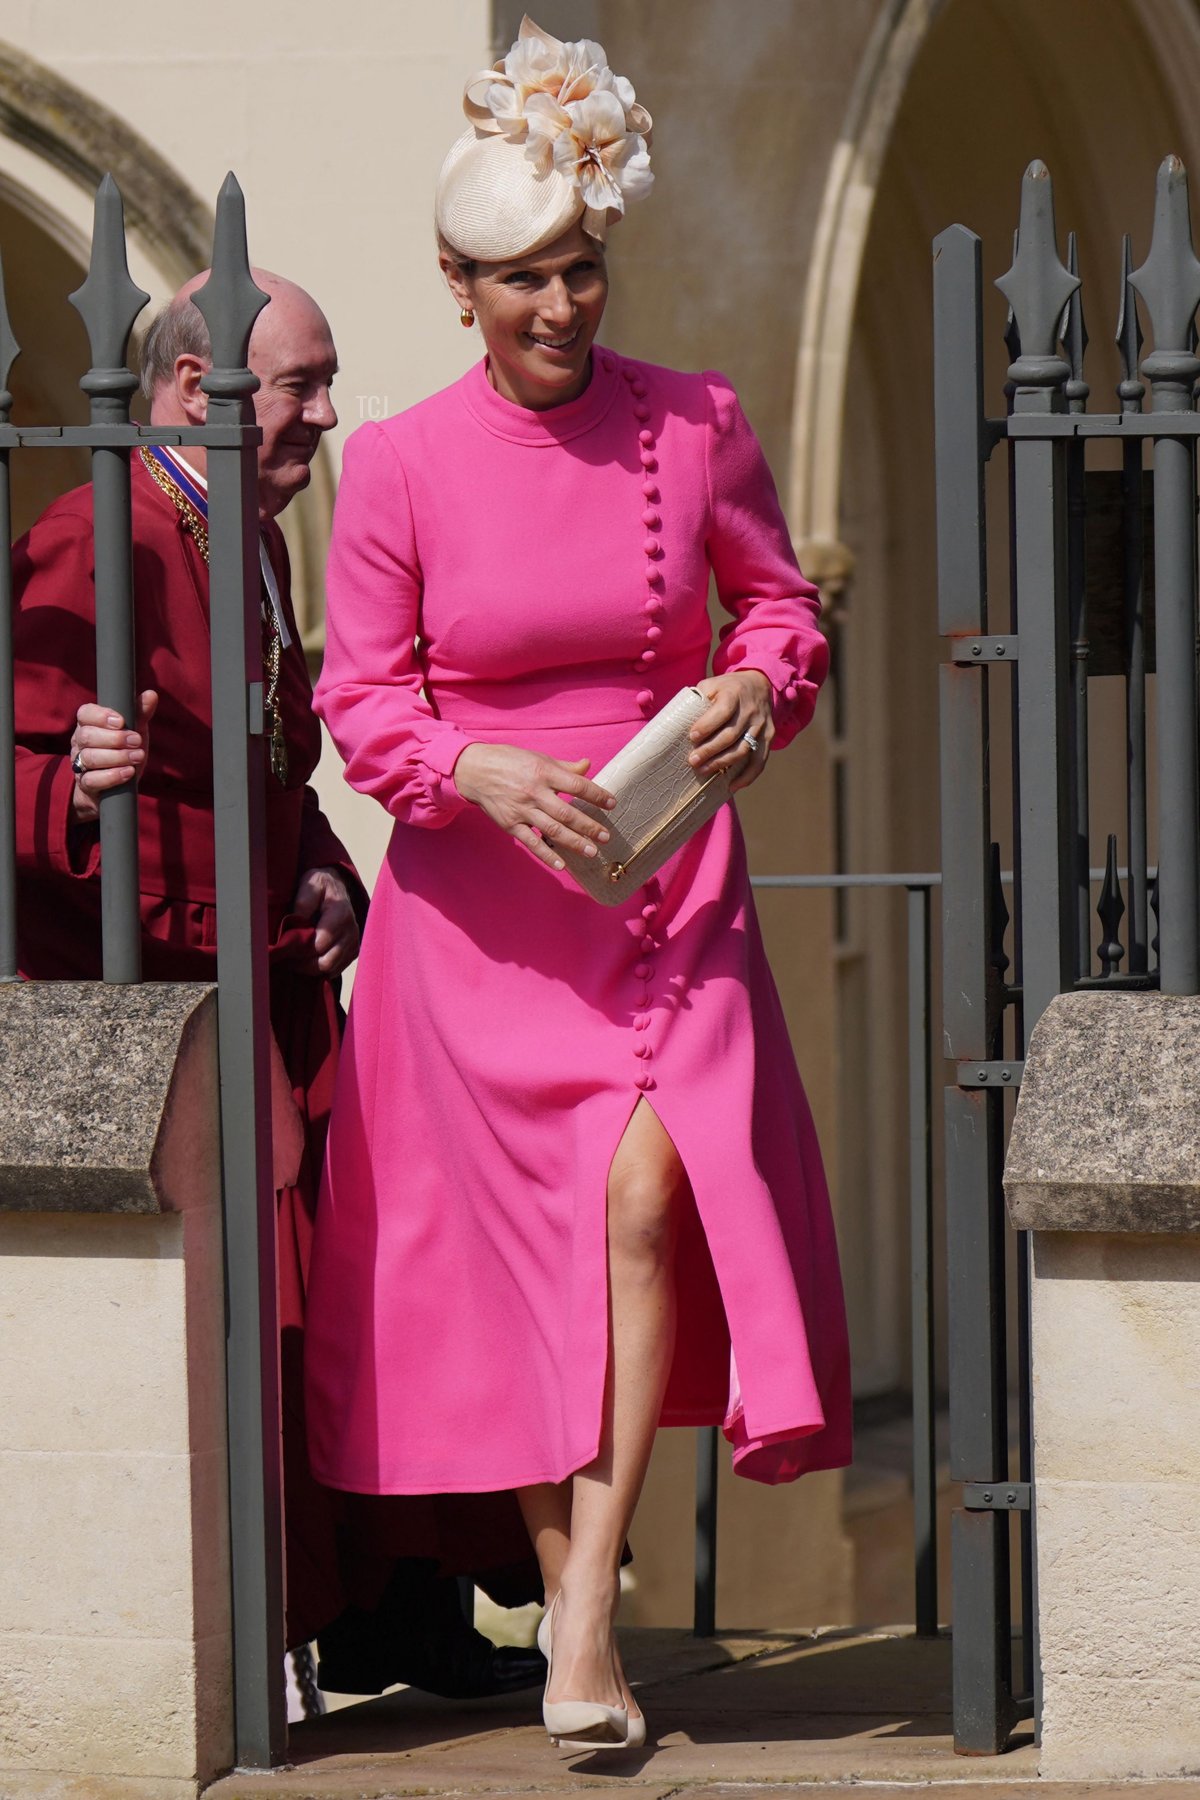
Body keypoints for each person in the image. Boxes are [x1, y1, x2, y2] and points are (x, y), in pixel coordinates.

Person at [305, 16, 852, 1753]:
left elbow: (780, 608)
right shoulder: (392, 461)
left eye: (583, 271)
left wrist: (763, 689)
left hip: (661, 887)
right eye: (525, 279)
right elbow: (359, 698)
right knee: (515, 1270)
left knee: (635, 1209)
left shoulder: (697, 424)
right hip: (471, 919)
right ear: (458, 286)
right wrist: (466, 767)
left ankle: (589, 1608)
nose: (561, 307)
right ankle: (575, 1611)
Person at [10, 269, 543, 1703]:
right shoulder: (97, 534)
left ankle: (391, 1600)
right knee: (268, 1321)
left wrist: (325, 878)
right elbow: (28, 768)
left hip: (273, 983)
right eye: (299, 384)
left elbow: (273, 772)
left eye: (323, 378)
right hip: (166, 1008)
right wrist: (72, 788)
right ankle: (284, 1620)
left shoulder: (253, 538)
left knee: (379, 1280)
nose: (324, 411)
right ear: (194, 392)